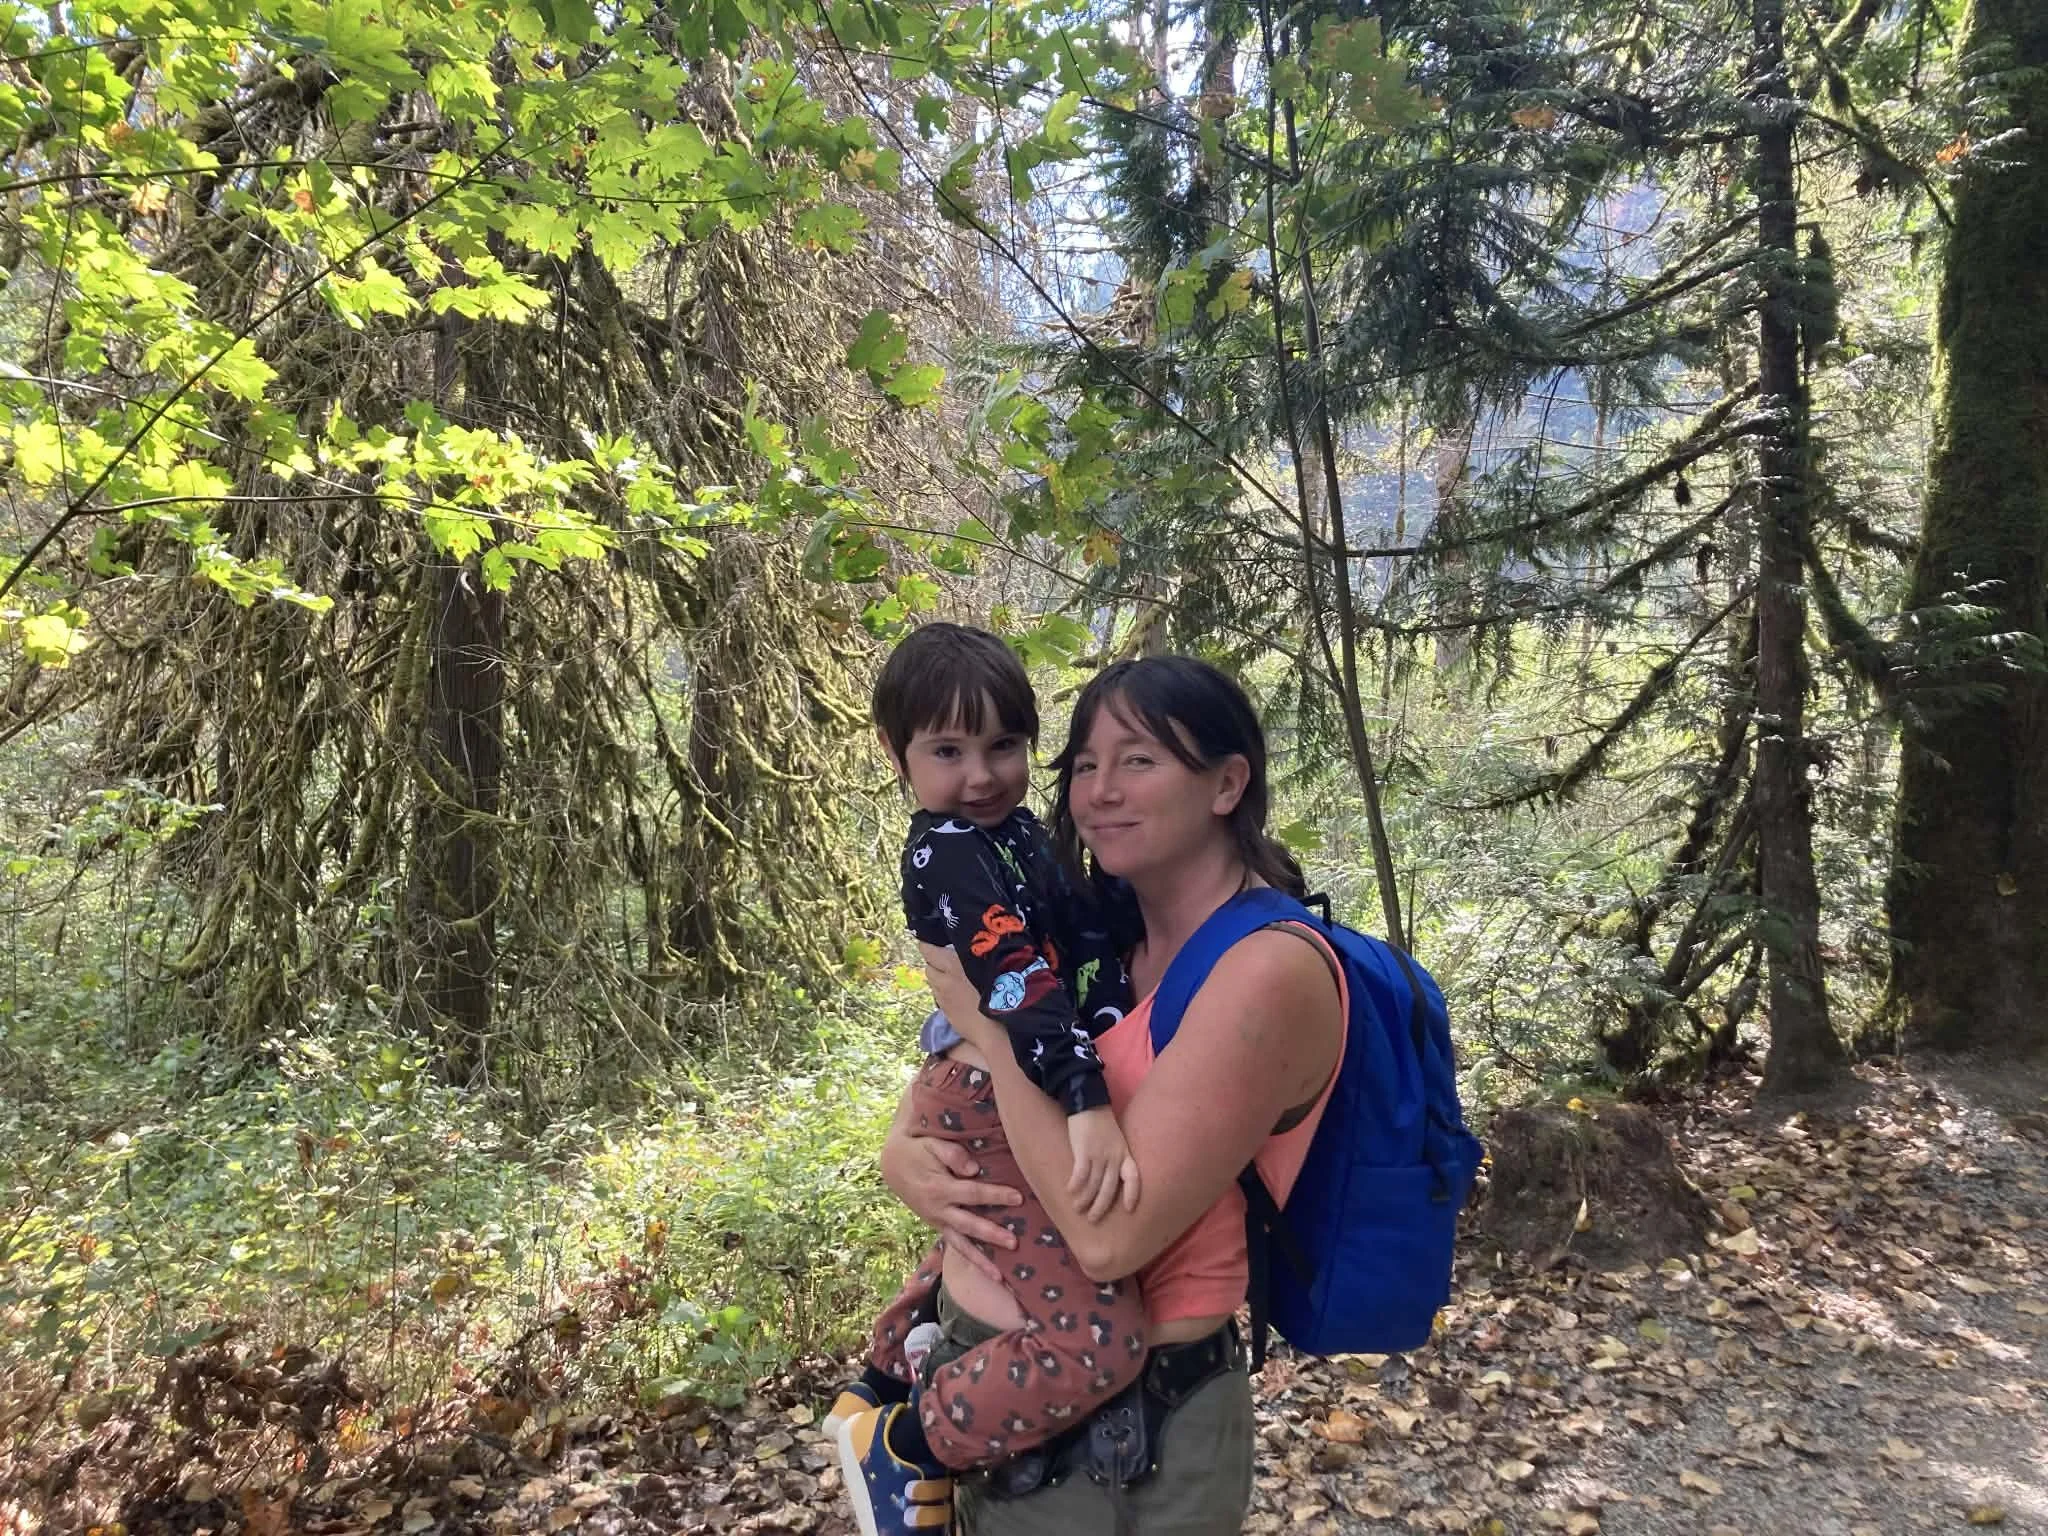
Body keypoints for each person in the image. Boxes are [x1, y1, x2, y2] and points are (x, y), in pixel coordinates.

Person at [883, 655, 1348, 1535]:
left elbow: (1103, 1238)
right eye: (1085, 765)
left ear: (1226, 783)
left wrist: (988, 1032)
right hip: (993, 1386)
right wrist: (903, 1155)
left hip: (1138, 1437)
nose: (1097, 792)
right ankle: (896, 1376)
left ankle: (905, 1430)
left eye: (1137, 760)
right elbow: (982, 1111)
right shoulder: (1103, 928)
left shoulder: (1267, 970)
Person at [831, 623, 1152, 1536]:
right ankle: (908, 1442)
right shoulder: (948, 852)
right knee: (1098, 1339)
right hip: (993, 1094)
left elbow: (1081, 931)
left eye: (1003, 746)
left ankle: (883, 1376)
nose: (981, 775)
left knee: (982, 1235)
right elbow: (1015, 979)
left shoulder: (1014, 835)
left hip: (994, 1082)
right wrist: (1085, 1100)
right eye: (948, 750)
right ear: (897, 756)